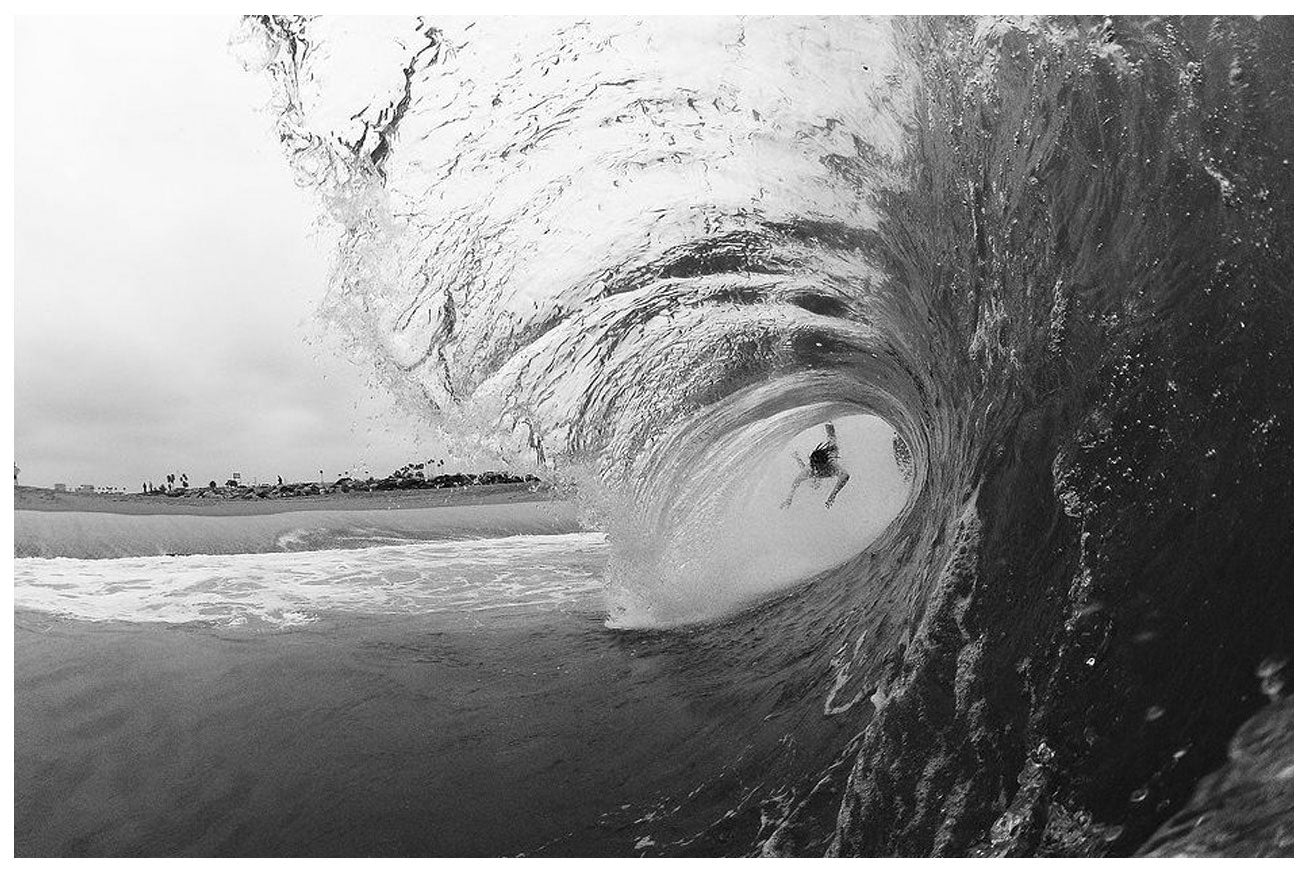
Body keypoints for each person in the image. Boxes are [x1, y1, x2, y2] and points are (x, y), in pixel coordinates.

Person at [781, 422, 850, 509]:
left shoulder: (832, 466)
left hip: (831, 455)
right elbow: (795, 483)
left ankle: (828, 422)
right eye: (816, 467)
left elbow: (845, 476)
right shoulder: (810, 469)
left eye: (820, 467)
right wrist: (789, 499)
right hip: (812, 469)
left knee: (832, 441)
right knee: (813, 483)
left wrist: (832, 496)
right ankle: (797, 458)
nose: (818, 469)